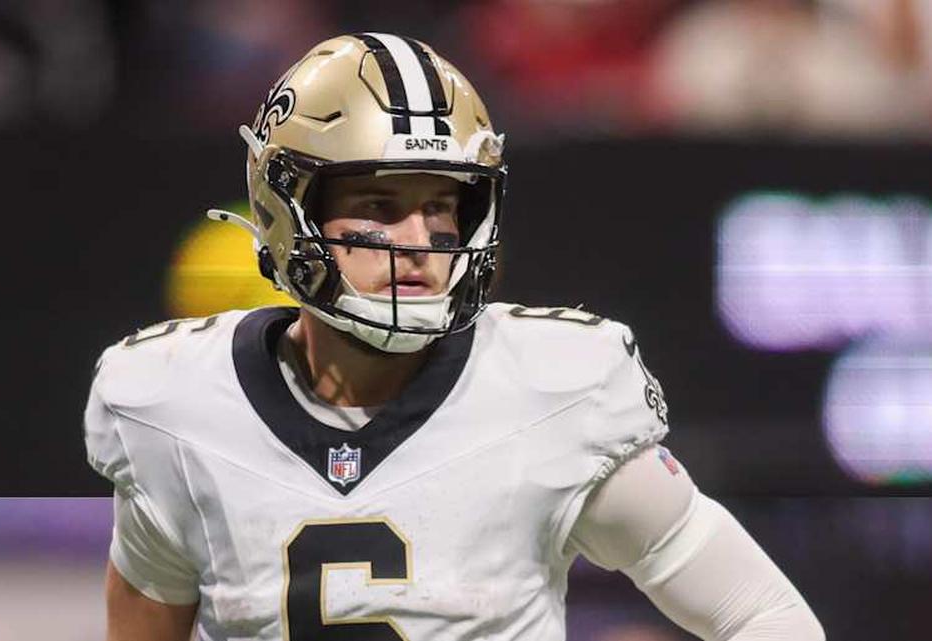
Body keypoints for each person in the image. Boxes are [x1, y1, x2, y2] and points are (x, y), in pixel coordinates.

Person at [84, 33, 825, 641]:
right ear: (287, 207)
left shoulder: (555, 390)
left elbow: (764, 616)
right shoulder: (177, 406)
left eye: (441, 206)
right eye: (380, 202)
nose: (420, 241)